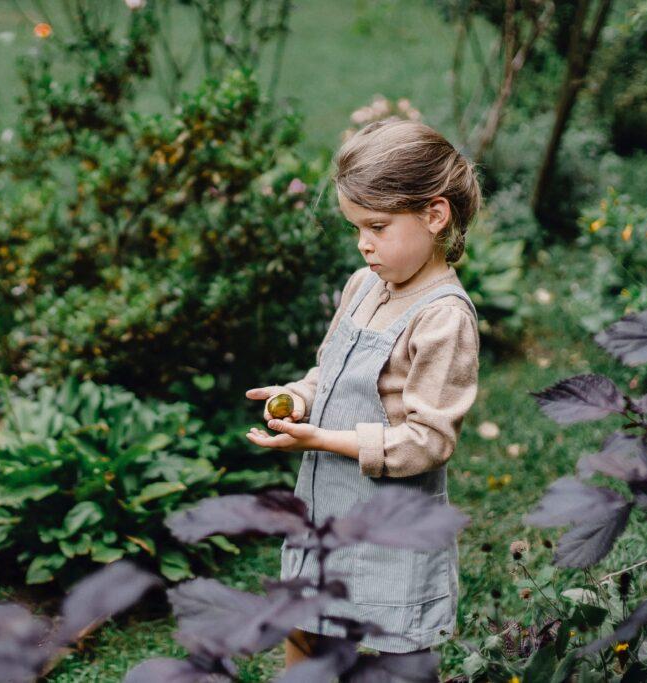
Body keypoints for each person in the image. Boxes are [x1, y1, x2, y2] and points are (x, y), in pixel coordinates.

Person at [244, 117, 481, 666]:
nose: (364, 245)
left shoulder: (443, 319)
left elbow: (428, 442)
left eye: (377, 227)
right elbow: (328, 371)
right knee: (308, 624)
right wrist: (300, 397)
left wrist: (323, 439)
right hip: (326, 506)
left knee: (396, 648)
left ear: (435, 215)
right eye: (356, 229)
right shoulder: (363, 286)